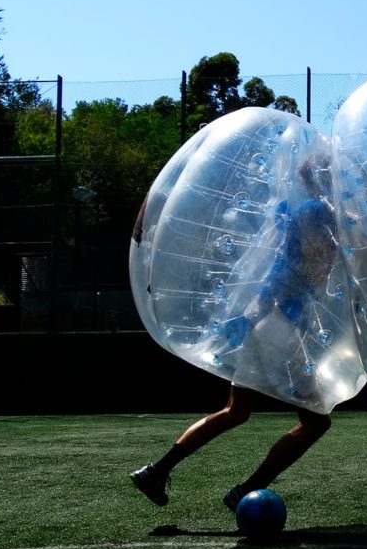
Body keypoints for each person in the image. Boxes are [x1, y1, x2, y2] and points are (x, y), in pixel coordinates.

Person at [131, 155, 342, 511]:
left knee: (235, 410)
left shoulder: (306, 212)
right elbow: (312, 260)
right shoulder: (317, 214)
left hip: (267, 320)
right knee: (316, 422)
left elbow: (282, 266)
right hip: (282, 326)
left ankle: (156, 471)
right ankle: (246, 490)